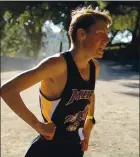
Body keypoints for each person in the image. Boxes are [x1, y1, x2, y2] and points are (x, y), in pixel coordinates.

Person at [0, 6, 112, 157]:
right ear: (81, 34)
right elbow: (8, 90)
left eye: (107, 34)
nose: (107, 40)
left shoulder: (94, 67)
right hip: (47, 150)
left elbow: (89, 94)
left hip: (75, 148)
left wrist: (89, 121)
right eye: (100, 33)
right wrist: (37, 125)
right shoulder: (57, 65)